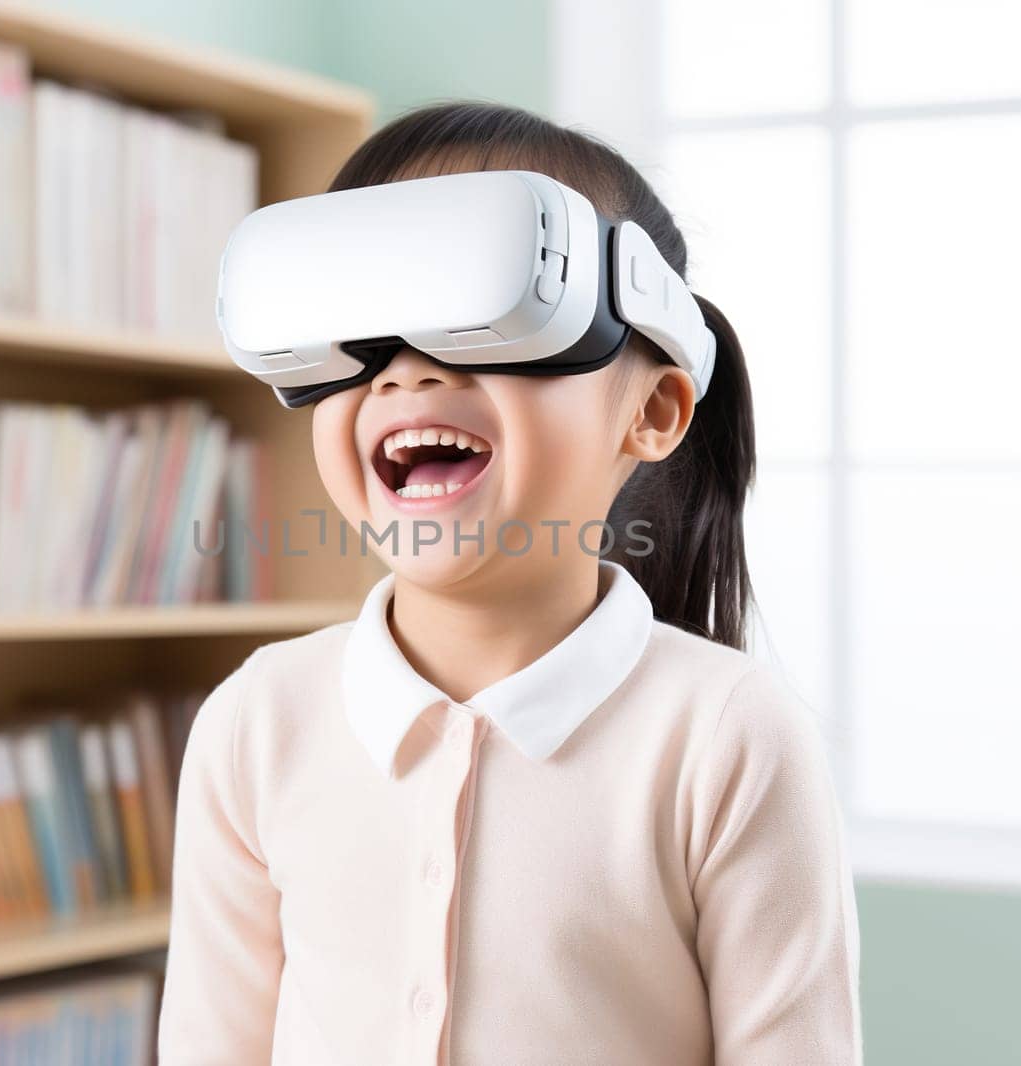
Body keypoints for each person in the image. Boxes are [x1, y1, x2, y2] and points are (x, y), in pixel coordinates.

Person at [157, 99, 862, 1065]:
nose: (400, 374)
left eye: (481, 312)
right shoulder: (256, 723)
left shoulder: (728, 739)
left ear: (653, 409)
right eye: (359, 327)